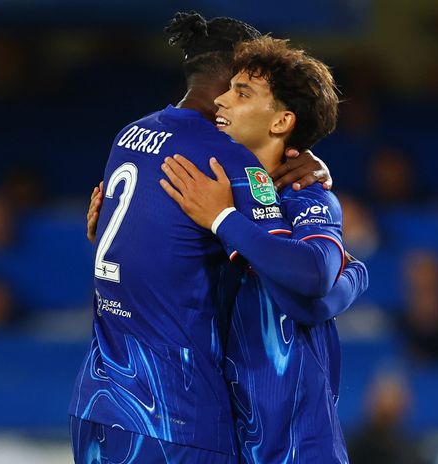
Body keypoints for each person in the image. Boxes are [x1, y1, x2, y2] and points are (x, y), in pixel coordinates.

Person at [69, 13, 338, 463]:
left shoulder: (129, 134)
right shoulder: (227, 161)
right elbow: (306, 278)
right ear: (231, 76)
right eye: (242, 82)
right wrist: (352, 273)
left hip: (98, 399)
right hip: (173, 412)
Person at [157, 37, 368, 462]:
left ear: (280, 122)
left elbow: (311, 277)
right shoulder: (211, 190)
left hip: (298, 443)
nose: (220, 100)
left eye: (241, 92)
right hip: (224, 432)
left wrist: (224, 221)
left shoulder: (304, 196)